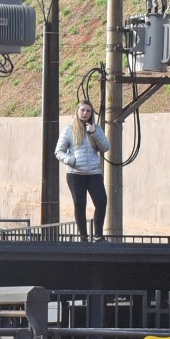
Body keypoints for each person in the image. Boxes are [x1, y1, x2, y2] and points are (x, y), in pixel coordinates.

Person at [56, 101, 109, 241]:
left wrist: (95, 132)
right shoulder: (69, 130)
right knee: (80, 204)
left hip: (94, 173)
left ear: (91, 113)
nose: (85, 113)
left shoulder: (96, 129)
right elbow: (58, 151)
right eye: (83, 110)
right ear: (77, 111)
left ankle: (98, 236)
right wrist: (71, 161)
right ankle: (83, 237)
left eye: (88, 111)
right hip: (75, 174)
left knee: (101, 201)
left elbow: (106, 147)